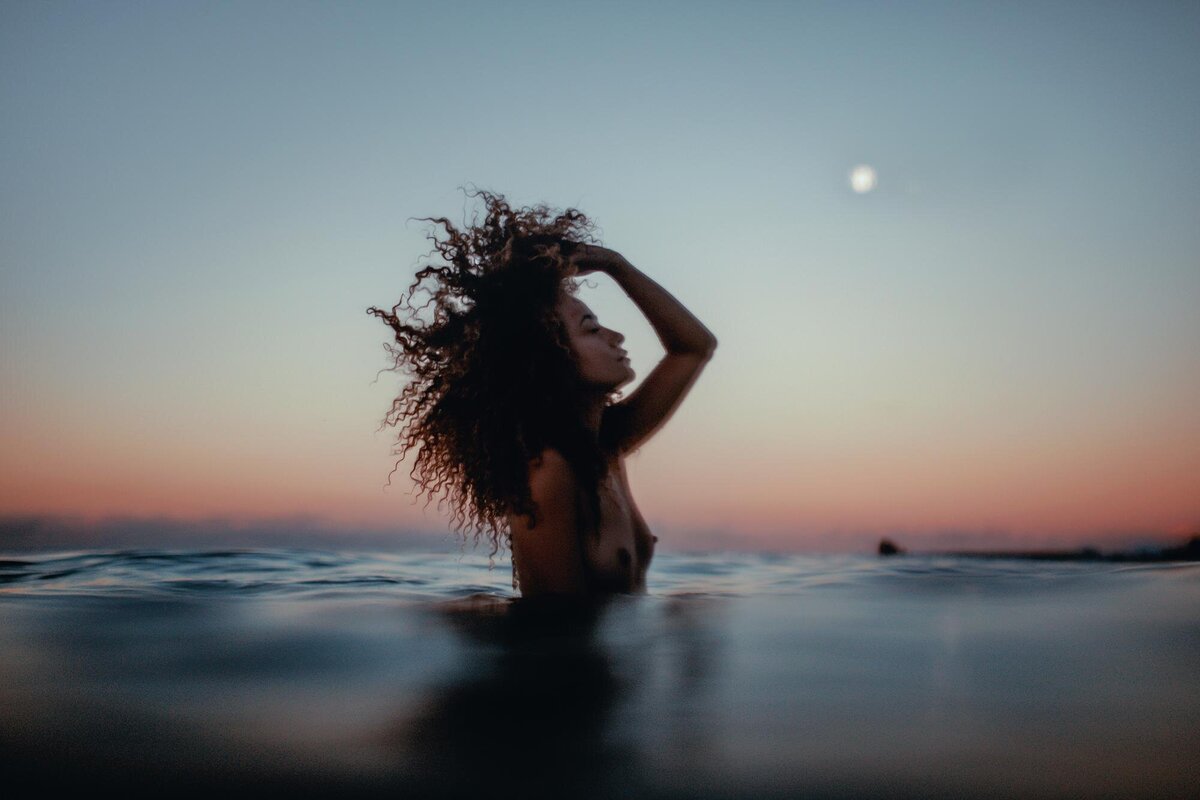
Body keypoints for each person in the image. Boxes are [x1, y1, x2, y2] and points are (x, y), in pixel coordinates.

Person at [368, 189, 716, 598]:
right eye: (591, 328)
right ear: (552, 356)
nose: (617, 336)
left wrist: (615, 264)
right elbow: (555, 633)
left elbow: (694, 347)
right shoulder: (548, 470)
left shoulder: (607, 445)